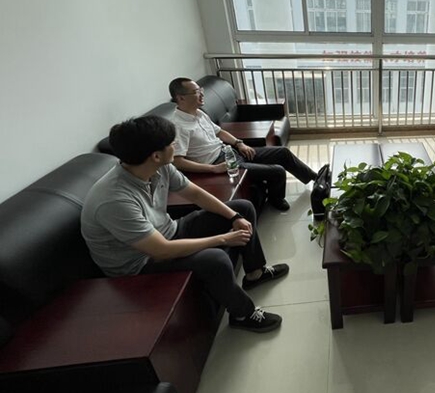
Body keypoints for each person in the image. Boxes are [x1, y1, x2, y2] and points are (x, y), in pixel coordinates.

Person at [81, 115, 288, 333]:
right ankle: (242, 314)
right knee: (215, 259)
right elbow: (161, 250)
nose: (176, 146)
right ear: (156, 155)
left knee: (243, 208)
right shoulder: (114, 200)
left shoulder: (159, 167)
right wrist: (223, 239)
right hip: (140, 262)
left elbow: (195, 194)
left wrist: (234, 217)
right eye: (172, 143)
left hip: (169, 231)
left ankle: (255, 273)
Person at [168, 77, 327, 212]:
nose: (202, 94)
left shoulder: (199, 113)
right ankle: (276, 200)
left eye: (200, 89)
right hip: (219, 165)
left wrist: (239, 144)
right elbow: (177, 161)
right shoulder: (178, 126)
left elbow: (219, 132)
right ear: (181, 98)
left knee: (282, 153)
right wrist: (213, 169)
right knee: (277, 171)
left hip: (230, 153)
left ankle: (317, 179)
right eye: (196, 92)